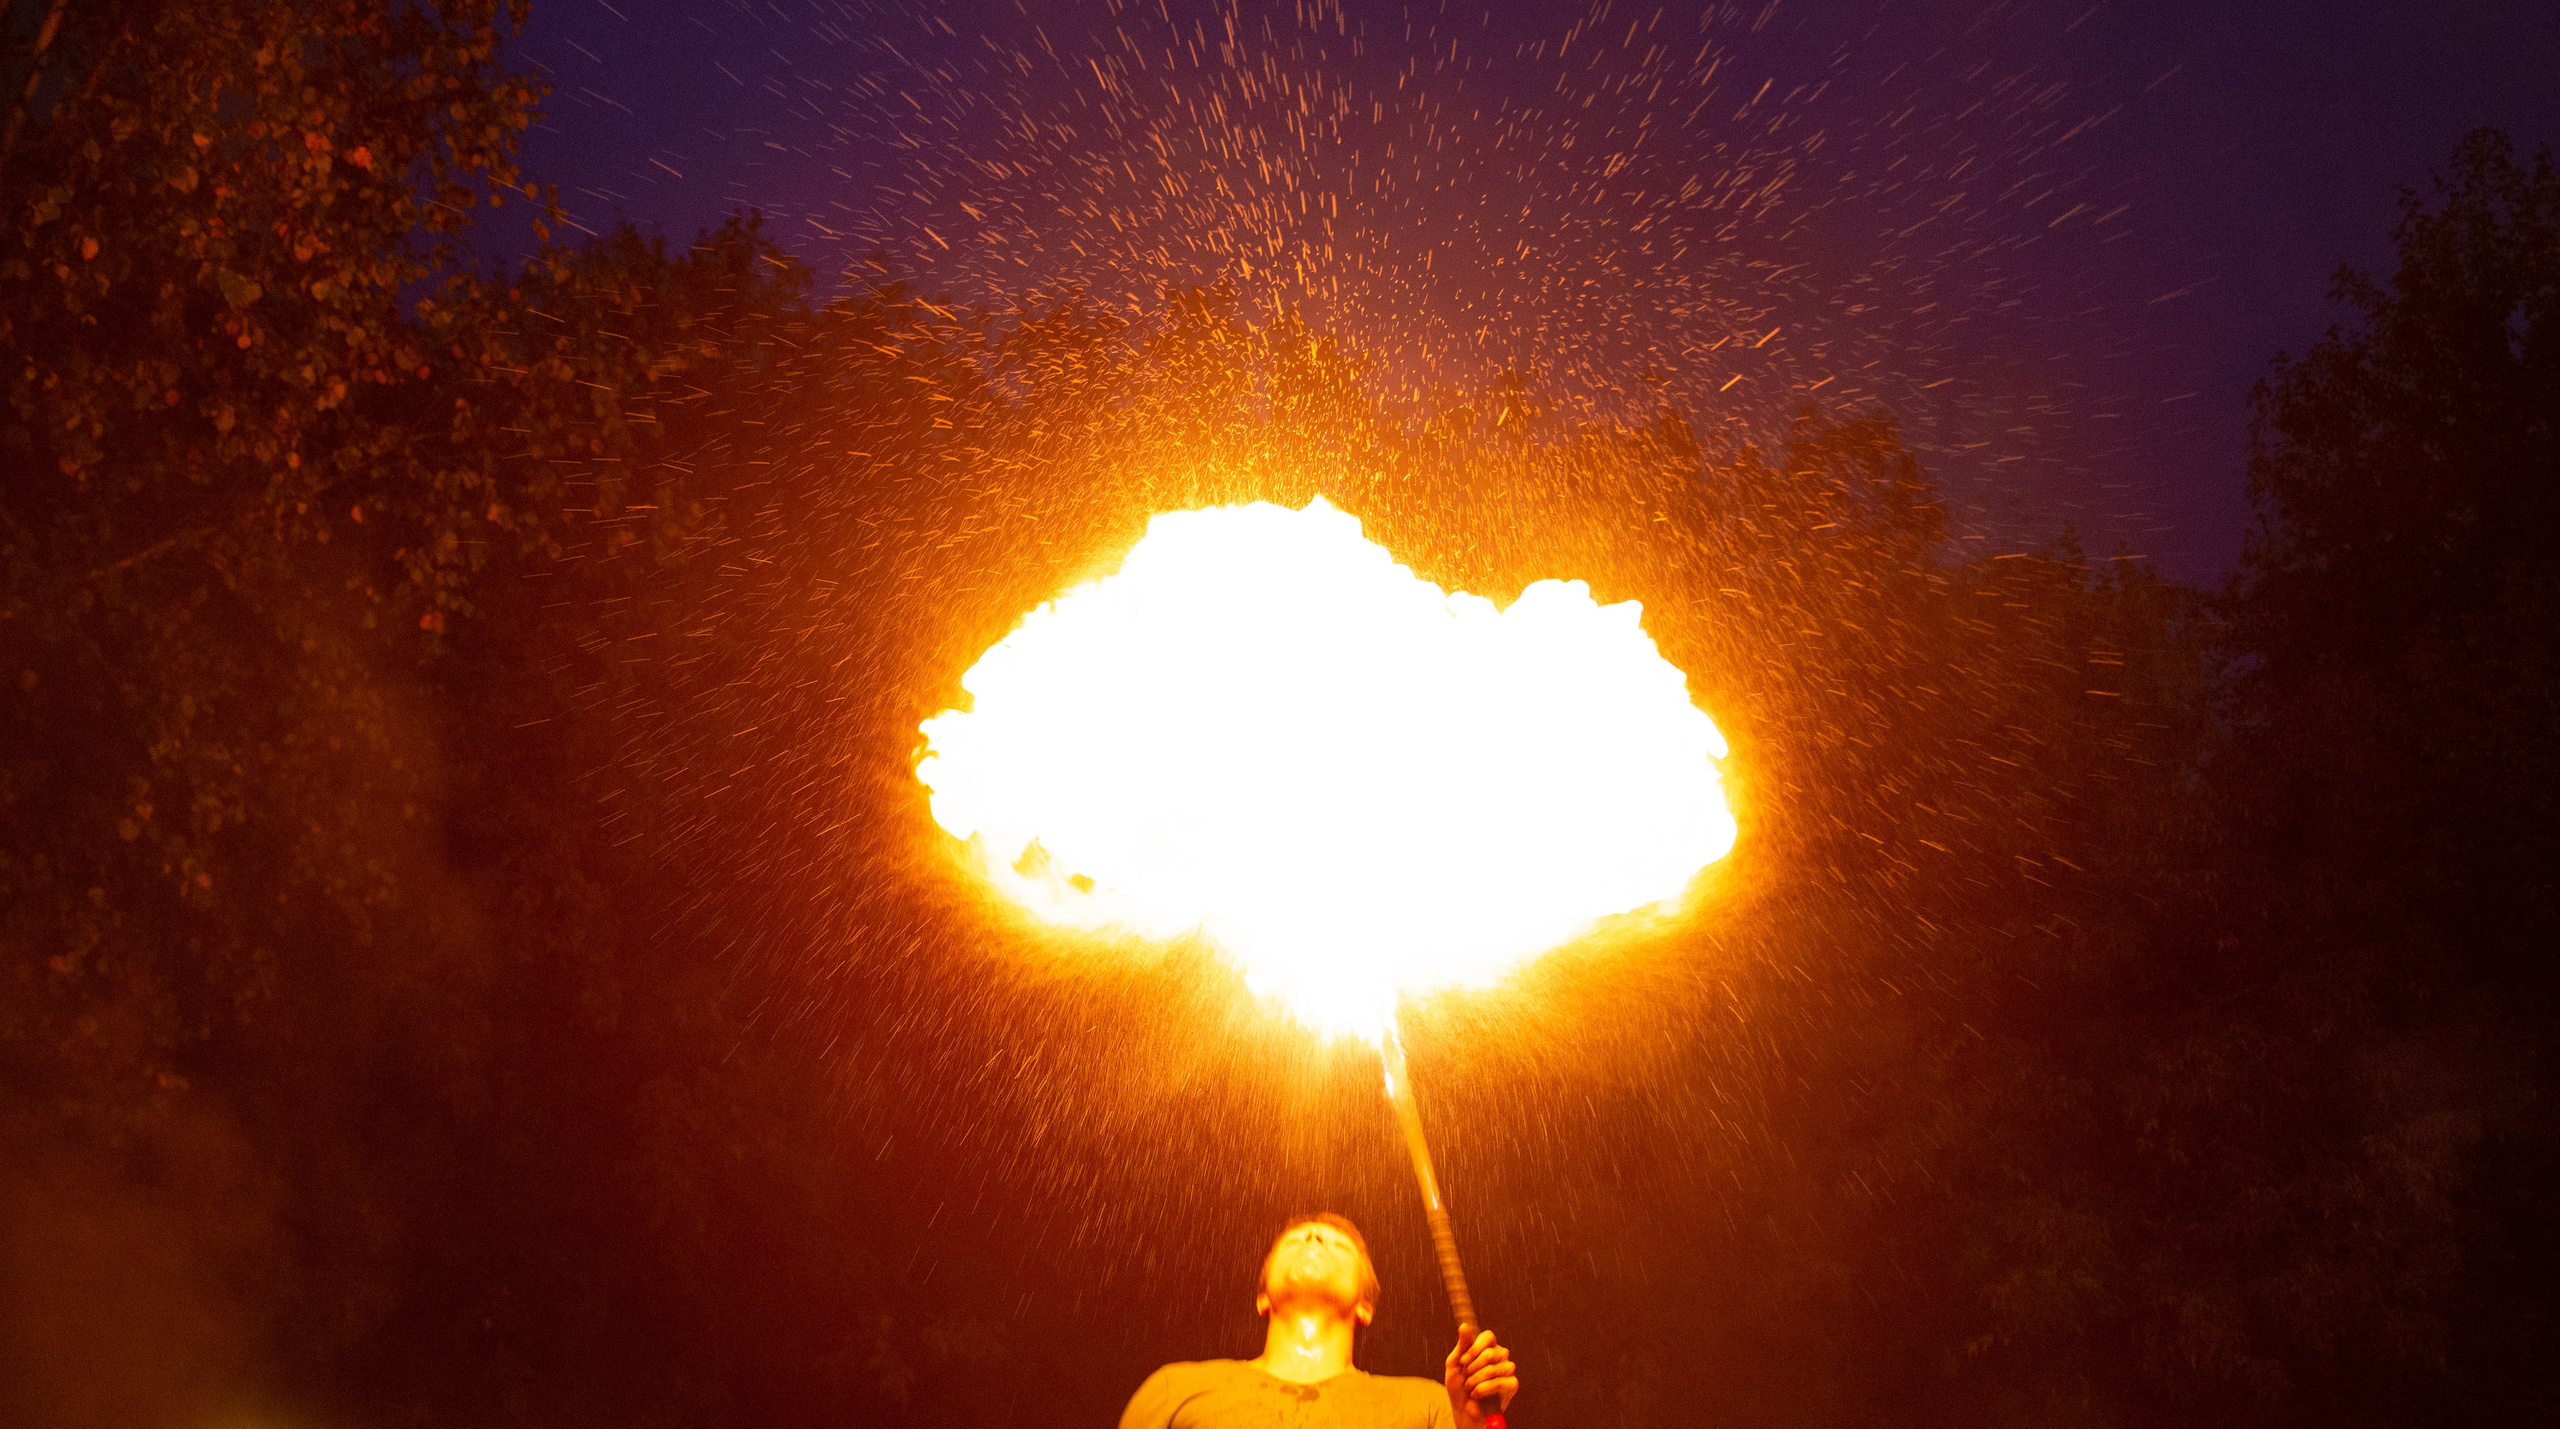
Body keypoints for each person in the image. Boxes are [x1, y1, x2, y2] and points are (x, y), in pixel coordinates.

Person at [1118, 1213, 1521, 1428]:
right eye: (1294, 1240)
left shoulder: (1430, 1402)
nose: (1313, 1239)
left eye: (1338, 1244)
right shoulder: (1174, 1388)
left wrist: (1470, 1424)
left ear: (1365, 1306)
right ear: (1263, 1297)